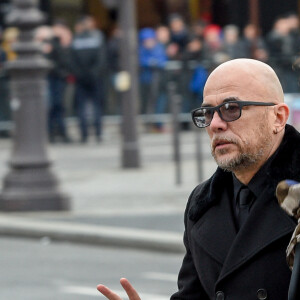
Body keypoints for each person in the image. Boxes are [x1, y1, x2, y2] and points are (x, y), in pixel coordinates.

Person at [97, 58, 299, 299]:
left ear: (278, 118)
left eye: (231, 108)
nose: (215, 124)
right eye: (207, 112)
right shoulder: (203, 203)